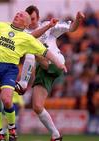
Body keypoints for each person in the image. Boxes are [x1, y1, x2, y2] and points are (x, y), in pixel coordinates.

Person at [0, 11, 67, 141]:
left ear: (26, 23)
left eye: (21, 15)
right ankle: (0, 133)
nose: (17, 15)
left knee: (7, 100)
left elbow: (44, 51)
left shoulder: (27, 38)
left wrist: (58, 63)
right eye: (17, 14)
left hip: (10, 70)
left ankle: (12, 129)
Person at [15, 5, 85, 141]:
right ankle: (56, 135)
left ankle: (23, 84)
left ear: (38, 18)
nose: (31, 22)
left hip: (56, 62)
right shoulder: (22, 34)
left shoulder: (48, 26)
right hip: (43, 69)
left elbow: (71, 28)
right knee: (37, 106)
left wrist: (77, 20)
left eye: (34, 19)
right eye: (29, 19)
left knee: (31, 51)